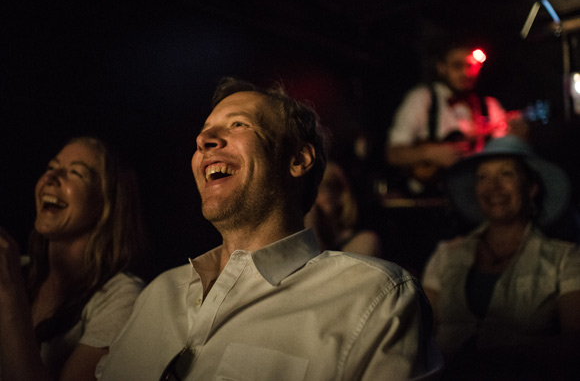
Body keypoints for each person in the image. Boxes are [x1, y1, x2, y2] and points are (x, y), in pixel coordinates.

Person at [97, 77, 443, 380]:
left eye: (238, 125)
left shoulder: (374, 297)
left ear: (297, 159)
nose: (205, 139)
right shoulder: (159, 294)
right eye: (204, 131)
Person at [421, 135, 580, 379]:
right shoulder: (447, 255)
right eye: (483, 177)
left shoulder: (565, 259)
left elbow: (574, 343)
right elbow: (421, 333)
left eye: (506, 174)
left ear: (531, 188)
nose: (493, 186)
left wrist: (499, 360)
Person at [0, 136, 147, 381]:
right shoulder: (20, 270)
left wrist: (7, 293)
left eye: (75, 173)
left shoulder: (121, 297)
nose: (51, 178)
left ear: (107, 203)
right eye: (50, 168)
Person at [385, 39, 528, 196]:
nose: (466, 73)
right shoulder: (423, 98)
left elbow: (506, 153)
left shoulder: (489, 106)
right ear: (441, 68)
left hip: (474, 195)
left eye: (471, 66)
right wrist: (429, 153)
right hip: (429, 195)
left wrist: (519, 136)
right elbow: (392, 154)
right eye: (457, 66)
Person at [305, 161, 382, 257]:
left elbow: (321, 269)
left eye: (320, 190)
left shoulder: (365, 240)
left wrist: (312, 229)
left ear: (339, 196)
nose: (311, 201)